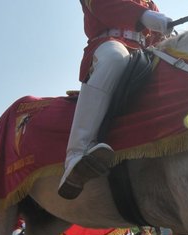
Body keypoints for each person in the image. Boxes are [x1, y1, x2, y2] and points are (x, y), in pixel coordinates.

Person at [58, 1, 172, 199]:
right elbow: (105, 5)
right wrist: (144, 16)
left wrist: (167, 34)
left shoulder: (148, 2)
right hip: (109, 43)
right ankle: (77, 154)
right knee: (114, 58)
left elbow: (157, 34)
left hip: (144, 53)